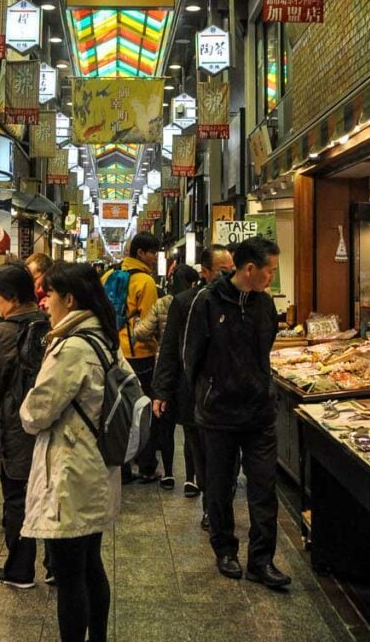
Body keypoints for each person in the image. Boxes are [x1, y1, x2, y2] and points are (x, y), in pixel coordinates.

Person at [20, 261, 126, 642]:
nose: (44, 301)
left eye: (48, 294)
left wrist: (26, 410)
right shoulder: (103, 339)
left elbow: (36, 412)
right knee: (91, 564)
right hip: (95, 465)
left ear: (69, 298)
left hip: (71, 471)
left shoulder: (72, 347)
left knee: (69, 575)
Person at [183, 236, 291, 589]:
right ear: (250, 269)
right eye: (270, 271)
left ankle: (262, 560)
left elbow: (266, 350)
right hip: (218, 414)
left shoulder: (264, 304)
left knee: (263, 488)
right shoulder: (207, 302)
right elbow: (191, 356)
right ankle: (225, 549)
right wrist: (207, 392)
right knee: (218, 486)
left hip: (259, 412)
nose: (271, 278)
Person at [152, 246, 235, 519]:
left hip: (231, 394)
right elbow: (170, 348)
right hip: (194, 392)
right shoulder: (185, 302)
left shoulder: (244, 301)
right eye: (223, 271)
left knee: (227, 457)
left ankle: (219, 503)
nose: (230, 275)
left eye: (232, 269)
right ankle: (212, 506)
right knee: (201, 450)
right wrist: (162, 390)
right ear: (205, 272)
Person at [0, 263, 49, 588]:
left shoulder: (1, 333)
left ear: (11, 296)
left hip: (16, 427)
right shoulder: (51, 327)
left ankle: (20, 569)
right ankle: (55, 566)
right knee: (48, 493)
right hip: (49, 425)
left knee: (17, 498)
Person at [101, 232, 161, 482]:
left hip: (113, 351)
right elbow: (150, 320)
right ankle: (146, 466)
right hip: (139, 354)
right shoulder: (146, 283)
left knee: (117, 409)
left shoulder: (107, 276)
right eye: (152, 252)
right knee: (142, 409)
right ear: (141, 254)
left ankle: (121, 468)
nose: (155, 257)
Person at [132, 291, 175, 487]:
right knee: (192, 427)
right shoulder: (199, 298)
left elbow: (141, 332)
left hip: (159, 362)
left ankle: (167, 473)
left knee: (162, 420)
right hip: (190, 367)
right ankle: (193, 478)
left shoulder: (161, 303)